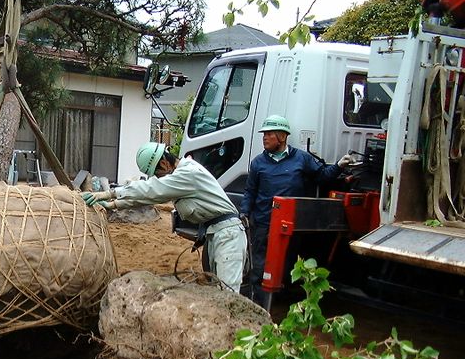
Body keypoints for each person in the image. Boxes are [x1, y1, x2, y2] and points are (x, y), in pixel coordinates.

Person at [82, 142, 248, 293]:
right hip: (216, 234)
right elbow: (151, 196)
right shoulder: (180, 176)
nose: (159, 178)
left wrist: (109, 193)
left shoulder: (187, 173)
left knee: (229, 294)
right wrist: (114, 205)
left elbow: (152, 189)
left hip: (228, 236)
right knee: (216, 291)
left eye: (157, 174)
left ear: (164, 163)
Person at [240, 115, 351, 307]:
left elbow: (322, 176)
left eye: (269, 134)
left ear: (282, 137)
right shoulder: (258, 163)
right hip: (264, 224)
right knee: (260, 266)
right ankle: (257, 304)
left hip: (289, 226)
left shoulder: (301, 159)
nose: (264, 138)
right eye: (264, 134)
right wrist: (244, 213)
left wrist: (339, 166)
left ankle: (279, 301)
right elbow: (250, 191)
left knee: (286, 264)